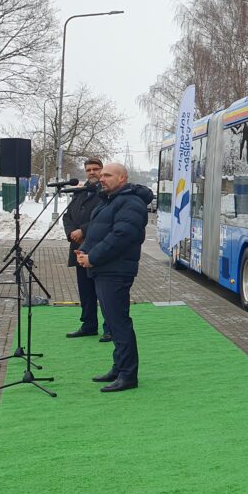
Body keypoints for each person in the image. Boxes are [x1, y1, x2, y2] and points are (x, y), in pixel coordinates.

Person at [75, 163, 154, 393]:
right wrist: (85, 251)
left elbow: (121, 236)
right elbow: (98, 231)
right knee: (113, 319)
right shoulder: (108, 200)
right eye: (102, 175)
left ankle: (128, 375)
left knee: (119, 323)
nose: (101, 178)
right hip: (103, 268)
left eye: (107, 175)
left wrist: (93, 257)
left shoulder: (131, 203)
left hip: (115, 271)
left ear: (122, 179)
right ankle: (119, 367)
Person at [62, 158, 111, 341]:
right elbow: (67, 216)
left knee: (103, 291)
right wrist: (72, 233)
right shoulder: (81, 192)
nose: (92, 172)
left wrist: (82, 230)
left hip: (97, 249)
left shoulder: (106, 193)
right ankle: (89, 324)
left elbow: (105, 218)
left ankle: (110, 328)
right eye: (88, 169)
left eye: (96, 169)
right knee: (85, 290)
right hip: (79, 248)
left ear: (102, 170)